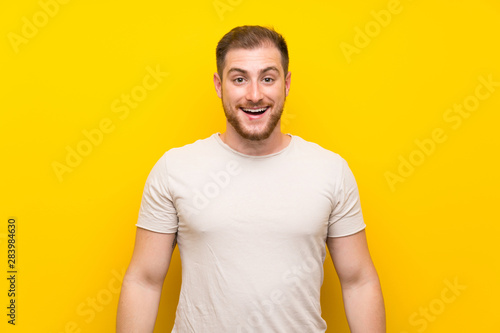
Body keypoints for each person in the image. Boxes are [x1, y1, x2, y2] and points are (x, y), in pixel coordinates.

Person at [116, 25, 385, 332]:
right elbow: (144, 281)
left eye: (267, 78)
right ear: (219, 85)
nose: (255, 95)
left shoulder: (330, 170)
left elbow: (359, 281)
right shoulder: (175, 168)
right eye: (239, 79)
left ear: (286, 83)